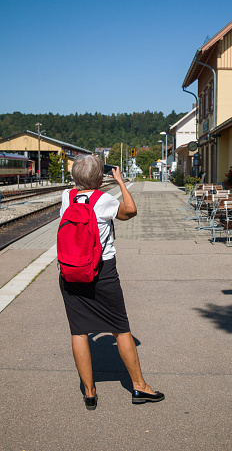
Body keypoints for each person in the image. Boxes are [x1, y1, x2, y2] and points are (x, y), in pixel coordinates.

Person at [59, 154, 164, 410]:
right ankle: (139, 387)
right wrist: (119, 182)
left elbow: (77, 189)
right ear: (99, 177)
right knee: (120, 327)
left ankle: (90, 392)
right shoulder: (104, 200)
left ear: (75, 177)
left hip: (70, 271)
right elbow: (131, 211)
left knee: (79, 331)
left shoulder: (66, 196)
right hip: (102, 272)